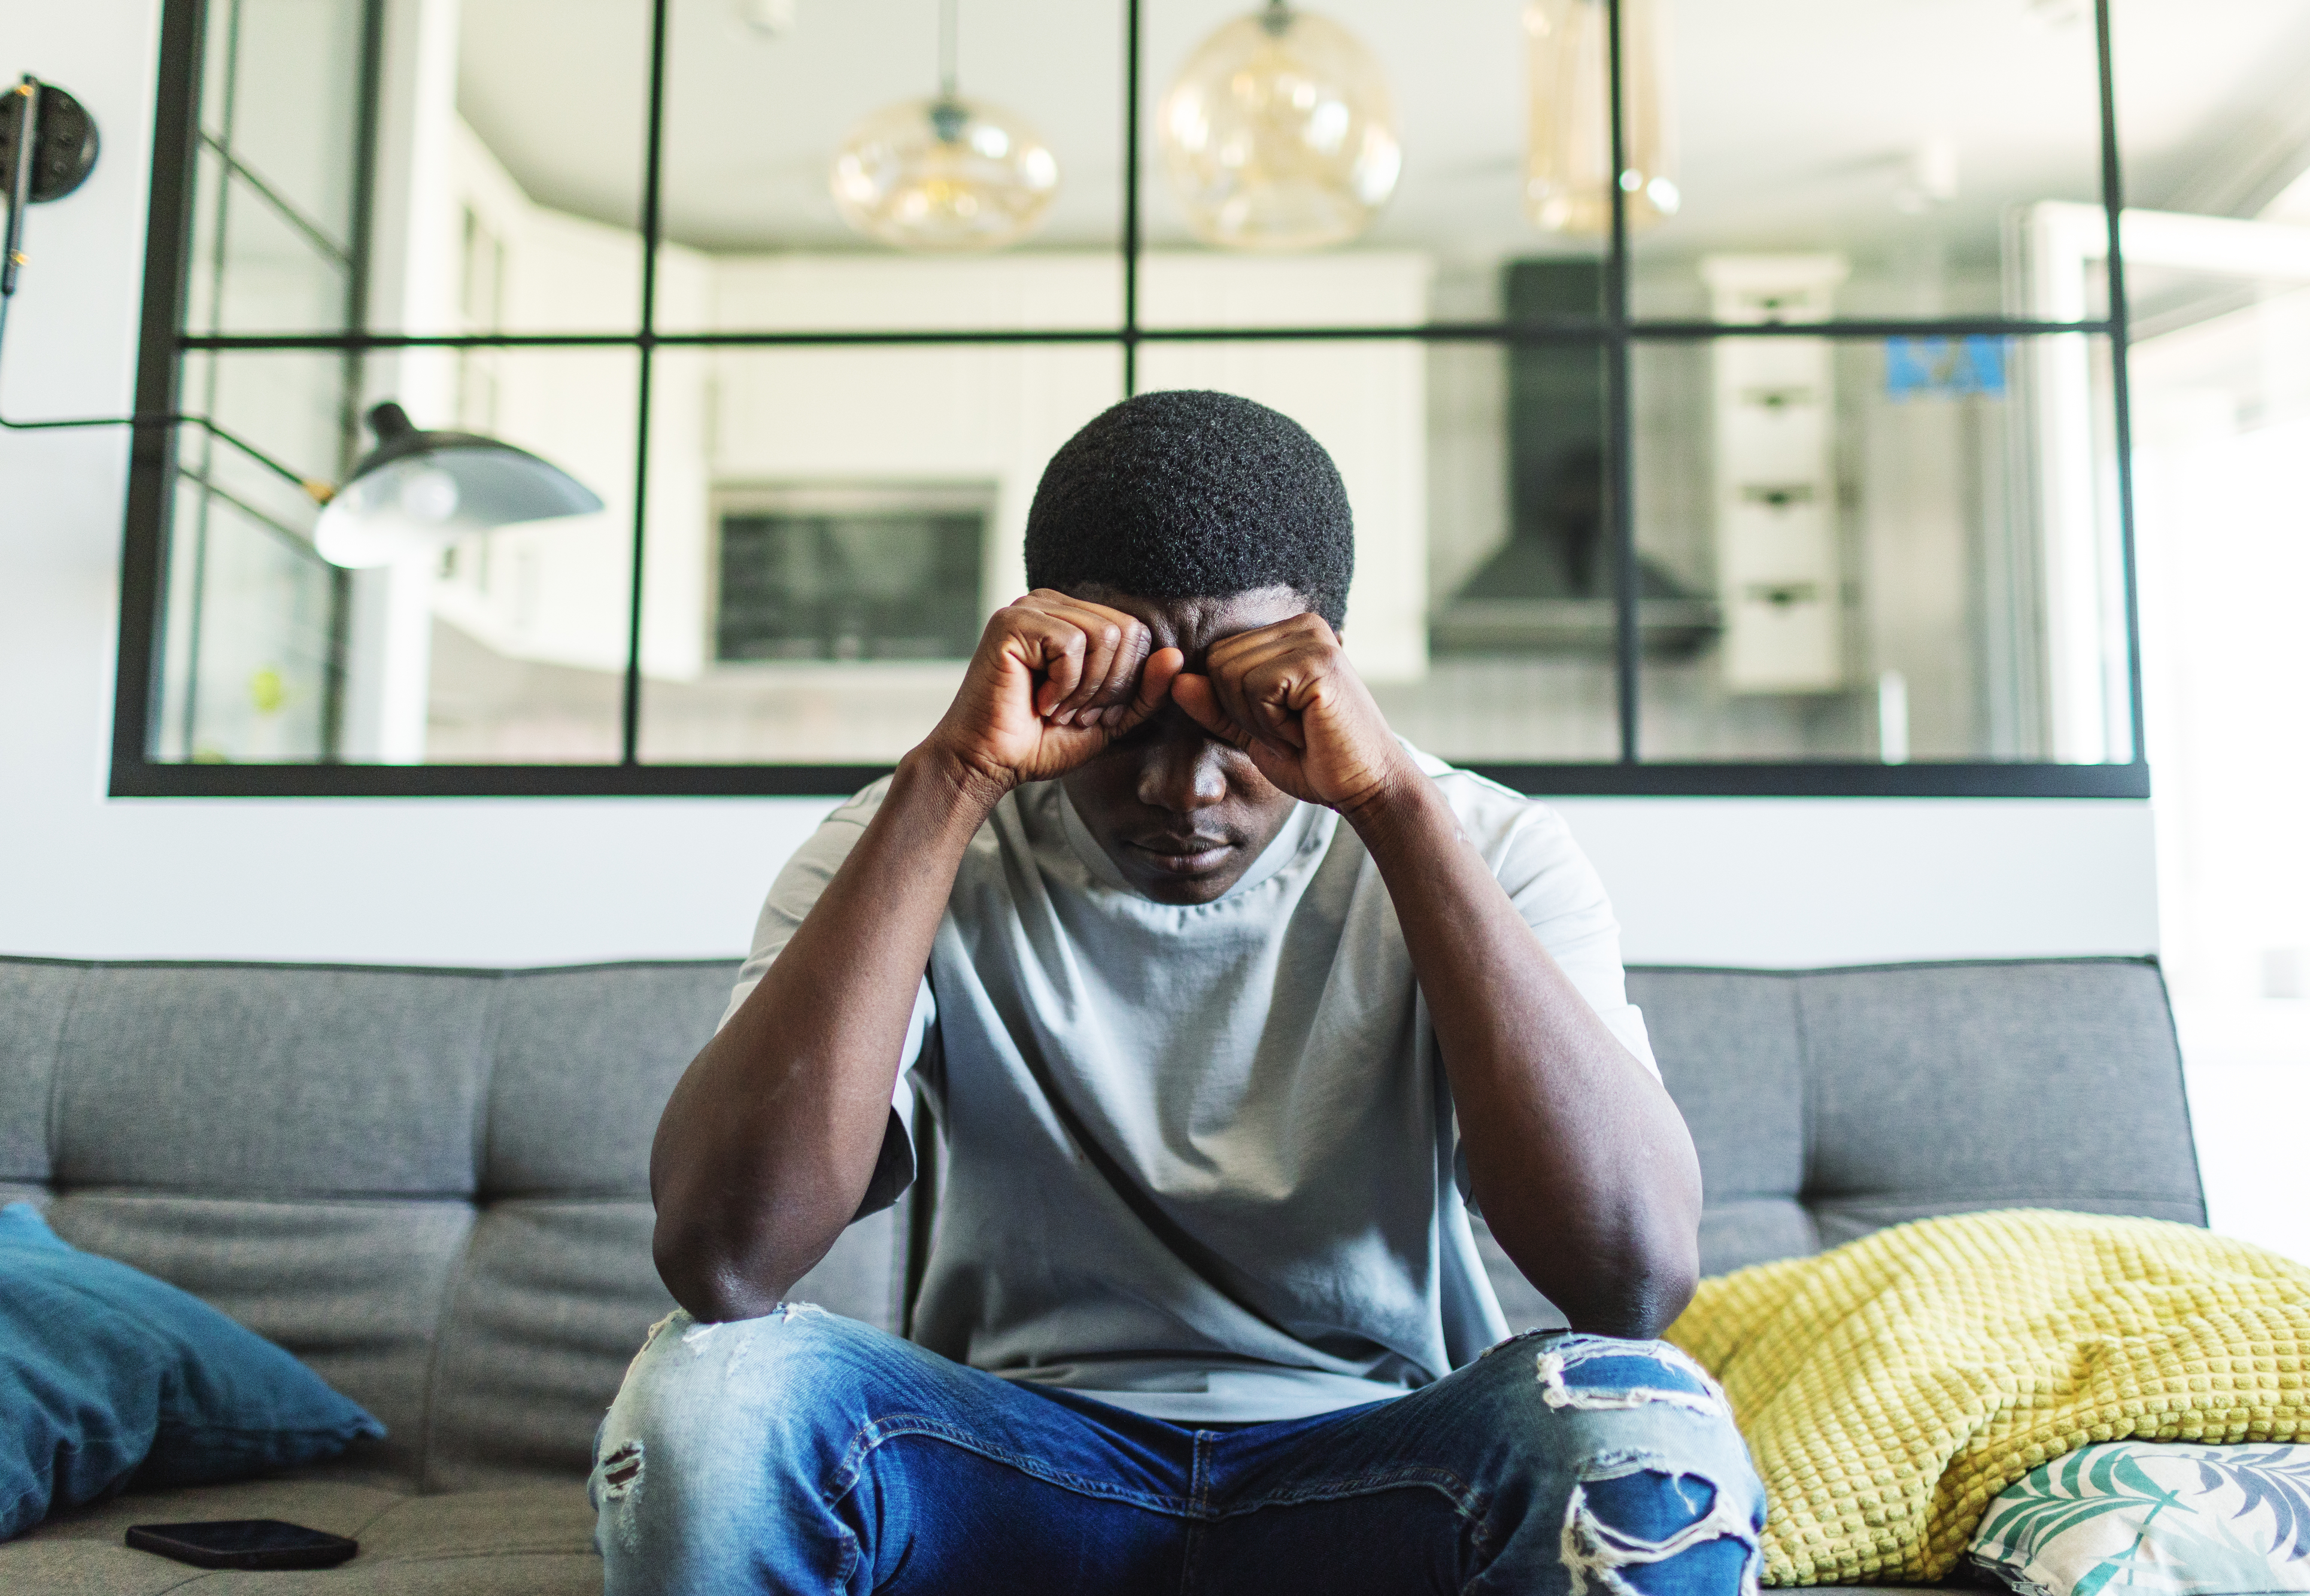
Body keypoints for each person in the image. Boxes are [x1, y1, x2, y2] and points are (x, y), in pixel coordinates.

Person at [596, 391, 1765, 1595]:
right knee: (706, 1393)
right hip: (1010, 1458)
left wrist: (1390, 806)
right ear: (1044, 654)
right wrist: (951, 774)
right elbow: (725, 1263)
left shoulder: (1485, 845)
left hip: (1379, 1459)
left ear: (1327, 667)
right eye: (1126, 719)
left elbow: (1624, 1278)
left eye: (1246, 716)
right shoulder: (914, 835)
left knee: (1647, 1421)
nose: (1185, 787)